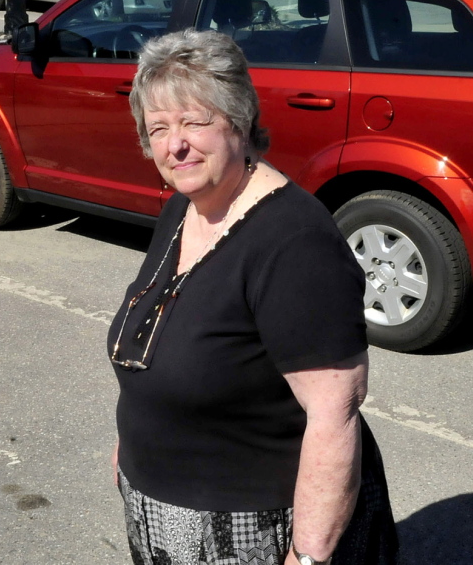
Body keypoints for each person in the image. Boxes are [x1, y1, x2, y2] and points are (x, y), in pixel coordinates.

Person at [108, 28, 398, 565]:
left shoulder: (295, 243)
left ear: (238, 120)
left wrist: (306, 558)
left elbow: (334, 412)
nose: (175, 145)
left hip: (251, 533)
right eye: (159, 128)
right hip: (162, 516)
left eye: (195, 121)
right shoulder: (185, 207)